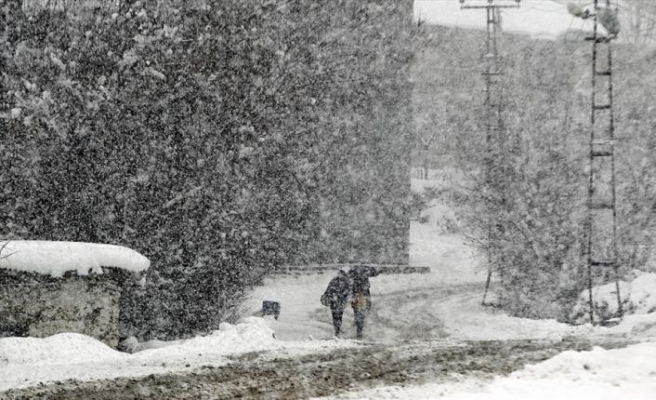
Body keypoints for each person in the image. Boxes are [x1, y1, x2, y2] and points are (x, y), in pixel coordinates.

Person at [347, 264, 380, 339]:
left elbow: (349, 280)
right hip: (362, 293)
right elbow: (375, 273)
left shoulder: (354, 271)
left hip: (357, 293)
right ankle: (359, 331)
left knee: (358, 310)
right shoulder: (364, 270)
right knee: (361, 311)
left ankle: (358, 327)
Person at [321, 270, 351, 337]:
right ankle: (337, 330)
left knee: (335, 316)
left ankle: (337, 329)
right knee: (339, 316)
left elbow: (328, 290)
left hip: (335, 301)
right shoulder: (345, 281)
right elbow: (347, 291)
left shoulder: (334, 281)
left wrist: (330, 295)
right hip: (339, 301)